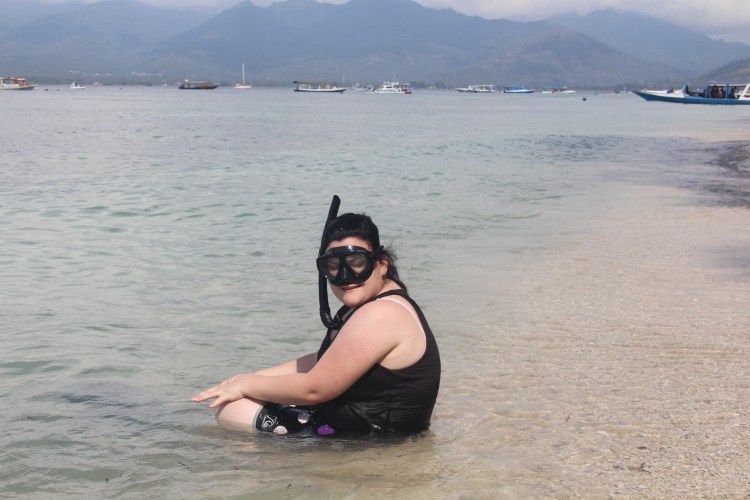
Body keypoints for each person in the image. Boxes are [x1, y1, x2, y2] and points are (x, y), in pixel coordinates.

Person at [192, 196, 441, 435]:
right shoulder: (376, 302)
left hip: (372, 444)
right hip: (360, 427)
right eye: (333, 266)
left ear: (381, 264)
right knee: (241, 392)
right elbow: (328, 360)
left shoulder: (381, 313)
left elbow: (315, 389)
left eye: (357, 262)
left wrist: (247, 385)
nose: (345, 276)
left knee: (233, 408)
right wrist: (250, 378)